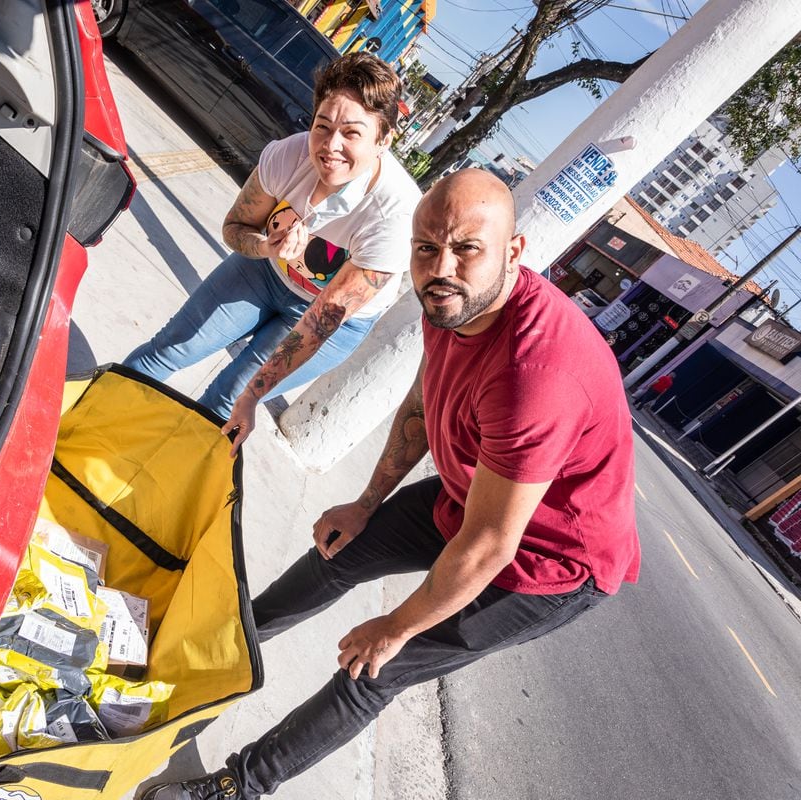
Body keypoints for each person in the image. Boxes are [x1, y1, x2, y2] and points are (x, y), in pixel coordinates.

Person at [138, 169, 641, 800]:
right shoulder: (449, 302)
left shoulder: (535, 374)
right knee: (338, 553)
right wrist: (366, 502)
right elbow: (424, 398)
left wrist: (395, 627)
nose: (442, 267)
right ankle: (210, 649)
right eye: (427, 248)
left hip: (545, 564)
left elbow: (489, 546)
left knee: (373, 672)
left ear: (514, 252)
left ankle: (237, 786)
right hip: (471, 495)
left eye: (466, 248)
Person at [123, 53, 421, 450]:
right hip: (264, 272)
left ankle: (162, 486)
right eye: (322, 126)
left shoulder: (396, 215)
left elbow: (321, 322)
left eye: (352, 133)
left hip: (331, 322)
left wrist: (252, 395)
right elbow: (235, 227)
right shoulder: (289, 154)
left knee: (229, 397)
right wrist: (265, 246)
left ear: (383, 140)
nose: (330, 146)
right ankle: (82, 426)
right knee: (172, 347)